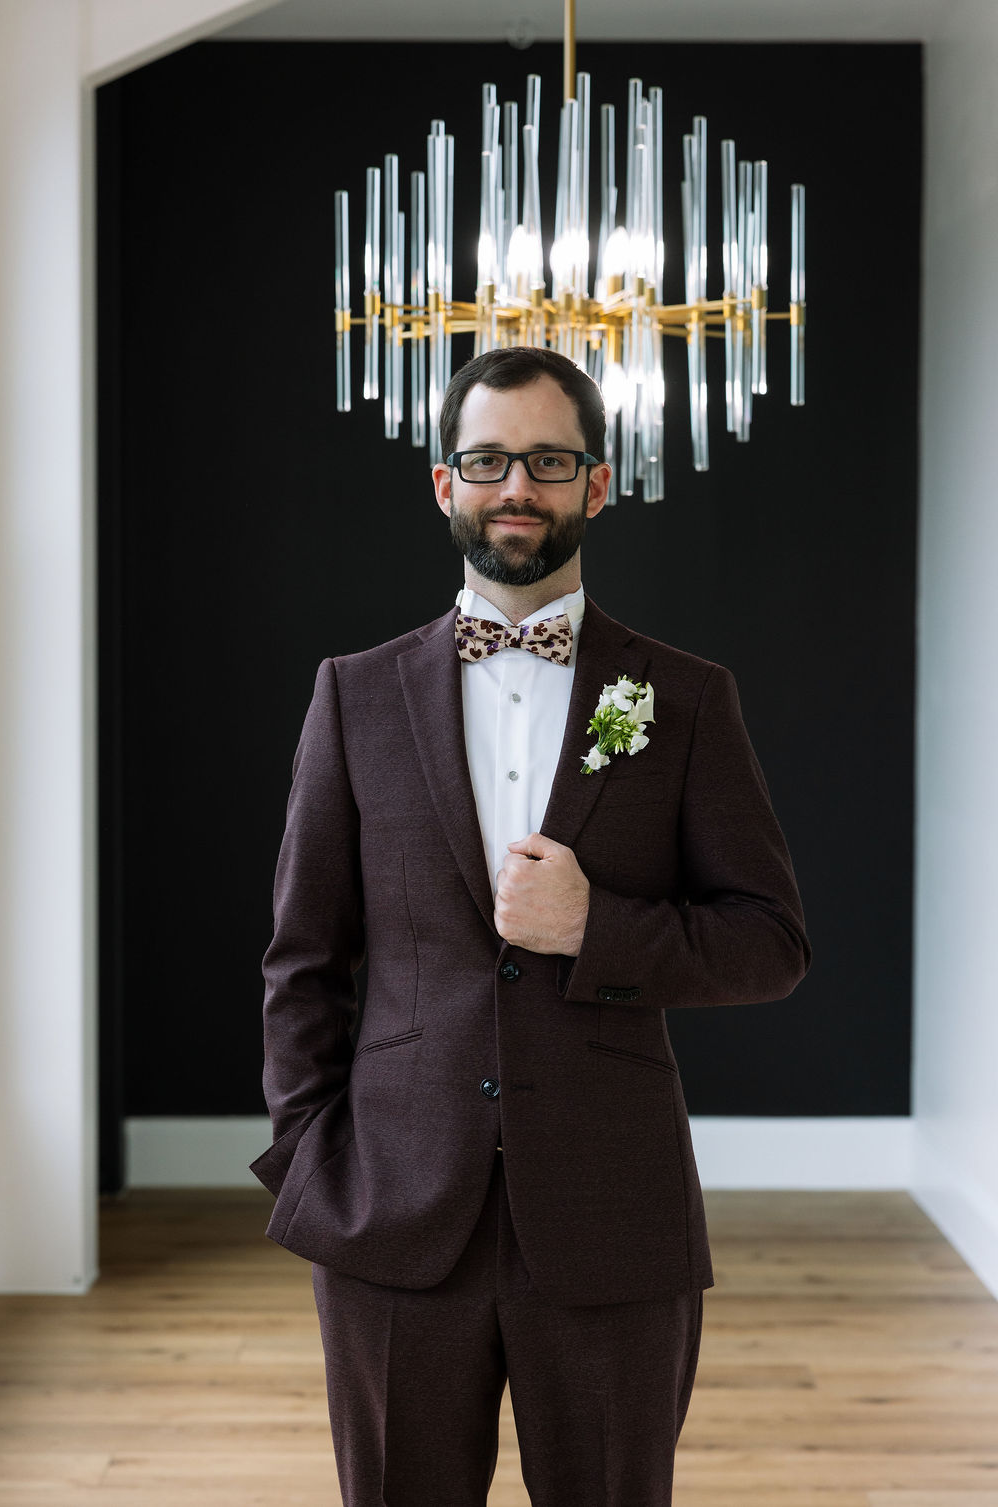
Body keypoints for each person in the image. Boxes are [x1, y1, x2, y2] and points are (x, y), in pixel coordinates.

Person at [251, 346, 810, 1507]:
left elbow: (768, 942)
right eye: (489, 460)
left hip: (615, 1213)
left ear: (596, 485)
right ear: (444, 485)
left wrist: (596, 926)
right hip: (392, 1214)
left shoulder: (682, 697)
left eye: (549, 461)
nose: (519, 486)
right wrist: (309, 1155)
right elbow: (303, 961)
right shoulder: (352, 695)